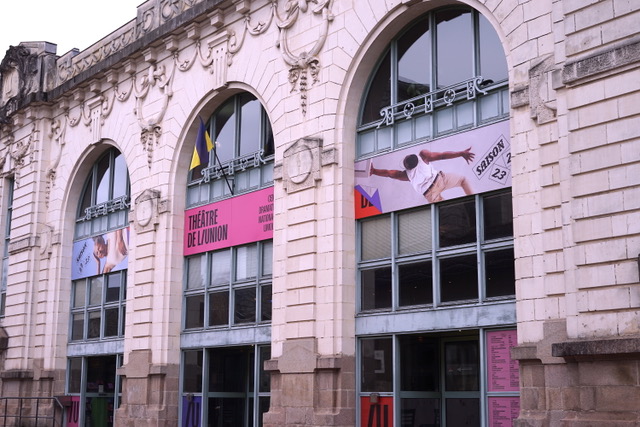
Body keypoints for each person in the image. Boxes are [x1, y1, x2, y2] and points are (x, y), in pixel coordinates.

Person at [370, 147, 475, 203]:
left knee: (444, 211)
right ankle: (472, 201)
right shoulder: (423, 156)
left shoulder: (406, 175)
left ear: (407, 167)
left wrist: (374, 171)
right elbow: (442, 156)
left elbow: (388, 173)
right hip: (440, 180)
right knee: (463, 180)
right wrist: (461, 153)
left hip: (430, 194)